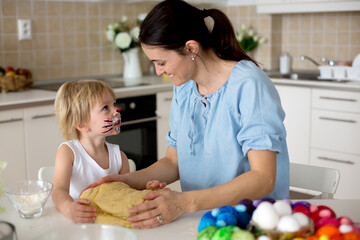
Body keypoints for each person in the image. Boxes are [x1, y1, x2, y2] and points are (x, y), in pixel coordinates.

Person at [86, 0, 289, 229]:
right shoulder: (184, 88)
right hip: (204, 220)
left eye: (161, 62)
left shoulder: (249, 84)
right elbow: (174, 161)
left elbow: (264, 178)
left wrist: (184, 202)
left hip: (252, 221)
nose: (158, 71)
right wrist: (127, 180)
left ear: (191, 48)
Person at [52, 79, 130, 223]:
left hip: (110, 222)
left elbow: (128, 191)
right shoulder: (68, 153)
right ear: (81, 124)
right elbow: (58, 191)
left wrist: (147, 189)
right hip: (81, 224)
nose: (116, 111)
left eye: (113, 104)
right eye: (106, 107)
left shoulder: (120, 157)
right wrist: (69, 208)